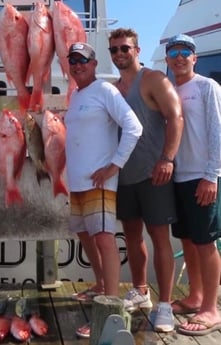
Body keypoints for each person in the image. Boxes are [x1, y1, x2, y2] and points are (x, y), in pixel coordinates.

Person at [64, 42, 143, 338]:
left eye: (83, 60)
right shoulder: (76, 96)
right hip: (77, 182)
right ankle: (99, 285)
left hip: (99, 181)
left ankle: (109, 307)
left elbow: (134, 127)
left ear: (94, 64)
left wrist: (115, 166)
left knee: (104, 239)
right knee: (85, 236)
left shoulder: (105, 91)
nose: (77, 65)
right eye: (72, 61)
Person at [108, 28, 184, 333]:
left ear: (137, 50)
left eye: (124, 48)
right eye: (113, 50)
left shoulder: (153, 79)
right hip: (124, 178)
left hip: (155, 174)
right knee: (132, 237)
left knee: (160, 238)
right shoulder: (113, 88)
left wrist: (167, 158)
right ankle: (140, 291)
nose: (119, 55)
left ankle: (164, 304)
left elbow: (175, 117)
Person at [165, 34, 221, 336]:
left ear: (194, 58)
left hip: (203, 176)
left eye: (185, 51)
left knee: (206, 242)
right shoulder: (170, 89)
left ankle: (211, 308)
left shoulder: (207, 86)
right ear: (167, 58)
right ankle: (195, 296)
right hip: (179, 176)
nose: (179, 56)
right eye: (173, 51)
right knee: (187, 240)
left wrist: (211, 175)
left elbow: (217, 131)